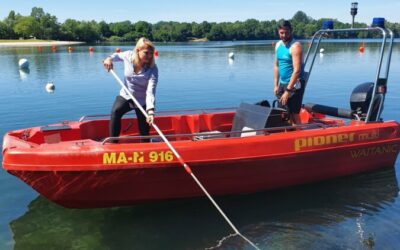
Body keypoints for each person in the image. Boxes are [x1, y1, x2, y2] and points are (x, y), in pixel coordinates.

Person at [103, 37, 158, 141]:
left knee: (144, 130)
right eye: (146, 53)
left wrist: (150, 111)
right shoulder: (128, 55)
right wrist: (109, 59)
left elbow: (151, 91)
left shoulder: (153, 69)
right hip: (126, 95)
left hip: (143, 100)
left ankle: (146, 148)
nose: (149, 56)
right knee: (116, 111)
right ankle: (113, 143)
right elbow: (116, 56)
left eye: (151, 53)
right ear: (138, 50)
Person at [273, 20, 305, 125]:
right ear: (278, 32)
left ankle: (299, 137)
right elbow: (277, 66)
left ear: (291, 31)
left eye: (286, 32)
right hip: (282, 83)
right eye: (282, 32)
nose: (284, 35)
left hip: (295, 84)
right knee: (284, 113)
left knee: (294, 114)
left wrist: (288, 91)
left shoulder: (295, 47)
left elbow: (297, 71)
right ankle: (289, 134)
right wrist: (276, 85)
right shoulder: (278, 45)